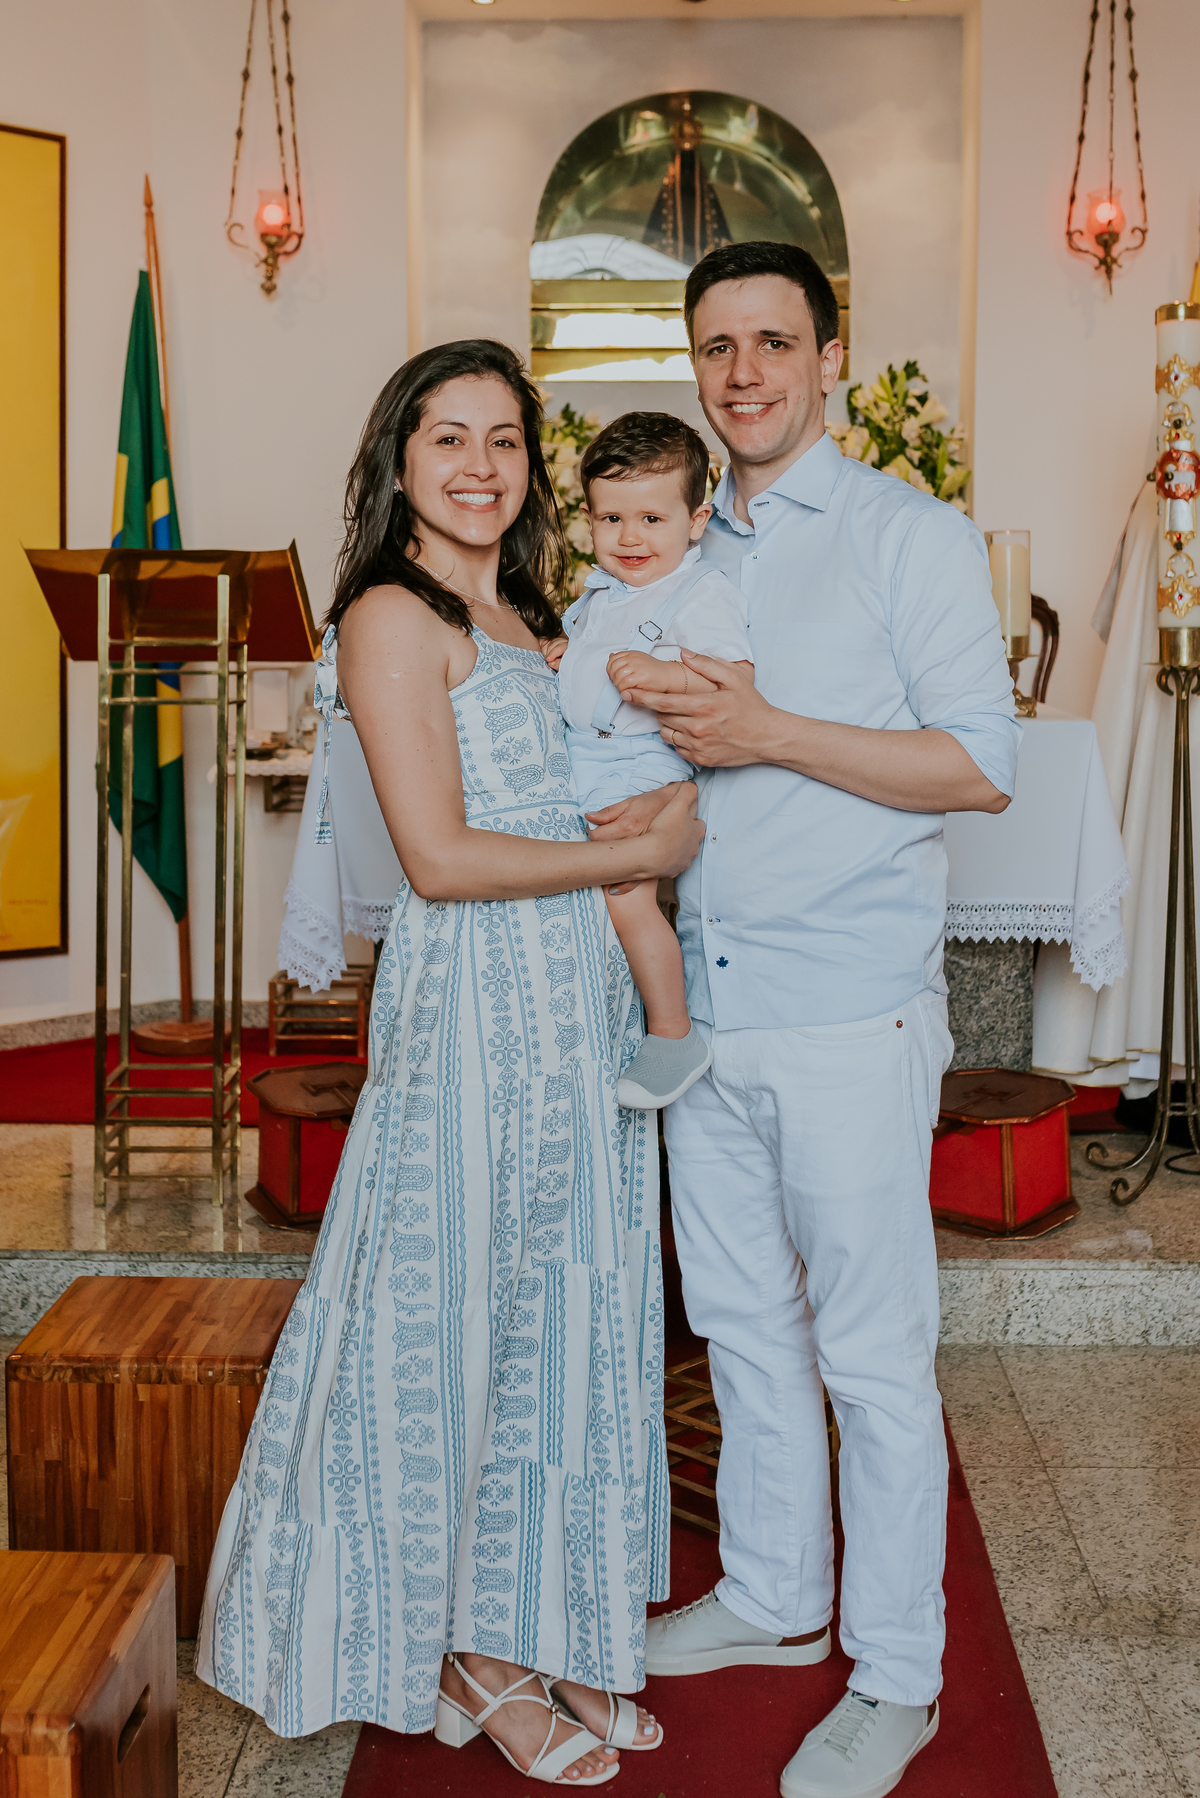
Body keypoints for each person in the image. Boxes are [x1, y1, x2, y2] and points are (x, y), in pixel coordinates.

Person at [194, 340, 706, 1787]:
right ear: (398, 462)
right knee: (461, 1307)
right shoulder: (388, 615)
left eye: (504, 440)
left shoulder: (535, 606)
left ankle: (544, 1621)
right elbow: (436, 854)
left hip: (578, 997)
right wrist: (640, 852)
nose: (480, 465)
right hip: (478, 994)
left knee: (573, 1308)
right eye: (448, 439)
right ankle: (468, 1649)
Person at [615, 242, 1021, 1798]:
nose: (743, 374)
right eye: (717, 346)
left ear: (830, 357)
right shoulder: (677, 540)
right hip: (707, 1008)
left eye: (772, 342)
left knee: (870, 1354)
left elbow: (979, 762)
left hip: (850, 1010)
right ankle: (779, 1598)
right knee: (738, 1327)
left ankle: (901, 1672)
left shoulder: (906, 535)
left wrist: (767, 727)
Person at [542, 412, 754, 1111]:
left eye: (651, 520)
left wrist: (663, 678)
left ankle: (672, 1032)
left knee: (625, 893)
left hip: (646, 763)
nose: (630, 538)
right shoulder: (598, 595)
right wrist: (561, 662)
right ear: (589, 520)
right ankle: (593, 1024)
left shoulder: (701, 593)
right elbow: (585, 672)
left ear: (696, 521)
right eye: (612, 519)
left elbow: (734, 685)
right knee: (560, 887)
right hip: (583, 758)